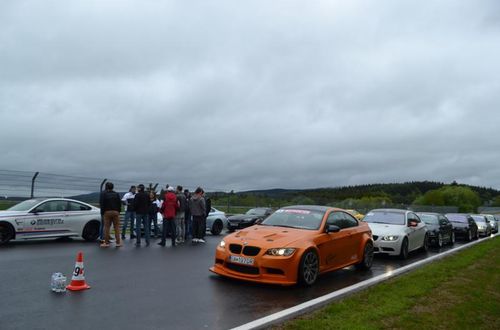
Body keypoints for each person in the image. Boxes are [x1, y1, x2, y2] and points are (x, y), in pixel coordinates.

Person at [99, 182, 122, 248]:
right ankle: (118, 242)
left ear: (106, 187)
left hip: (107, 212)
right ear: (113, 187)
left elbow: (102, 204)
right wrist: (118, 211)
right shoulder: (116, 194)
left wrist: (102, 213)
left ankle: (106, 242)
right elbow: (119, 203)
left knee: (106, 227)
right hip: (115, 212)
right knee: (117, 227)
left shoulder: (104, 194)